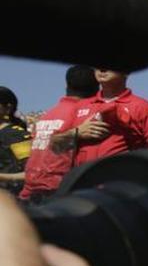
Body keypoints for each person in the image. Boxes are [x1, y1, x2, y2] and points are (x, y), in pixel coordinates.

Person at [19, 66, 99, 203]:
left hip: (29, 194)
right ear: (97, 88)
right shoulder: (86, 115)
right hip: (58, 194)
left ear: (67, 85)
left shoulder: (47, 115)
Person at [72, 69, 148, 167]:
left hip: (124, 178)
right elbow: (58, 145)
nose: (102, 69)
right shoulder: (79, 106)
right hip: (85, 179)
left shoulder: (145, 108)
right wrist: (75, 132)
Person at [0, 86, 31, 195]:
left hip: (11, 200)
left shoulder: (15, 135)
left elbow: (30, 173)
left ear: (8, 108)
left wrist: (2, 177)